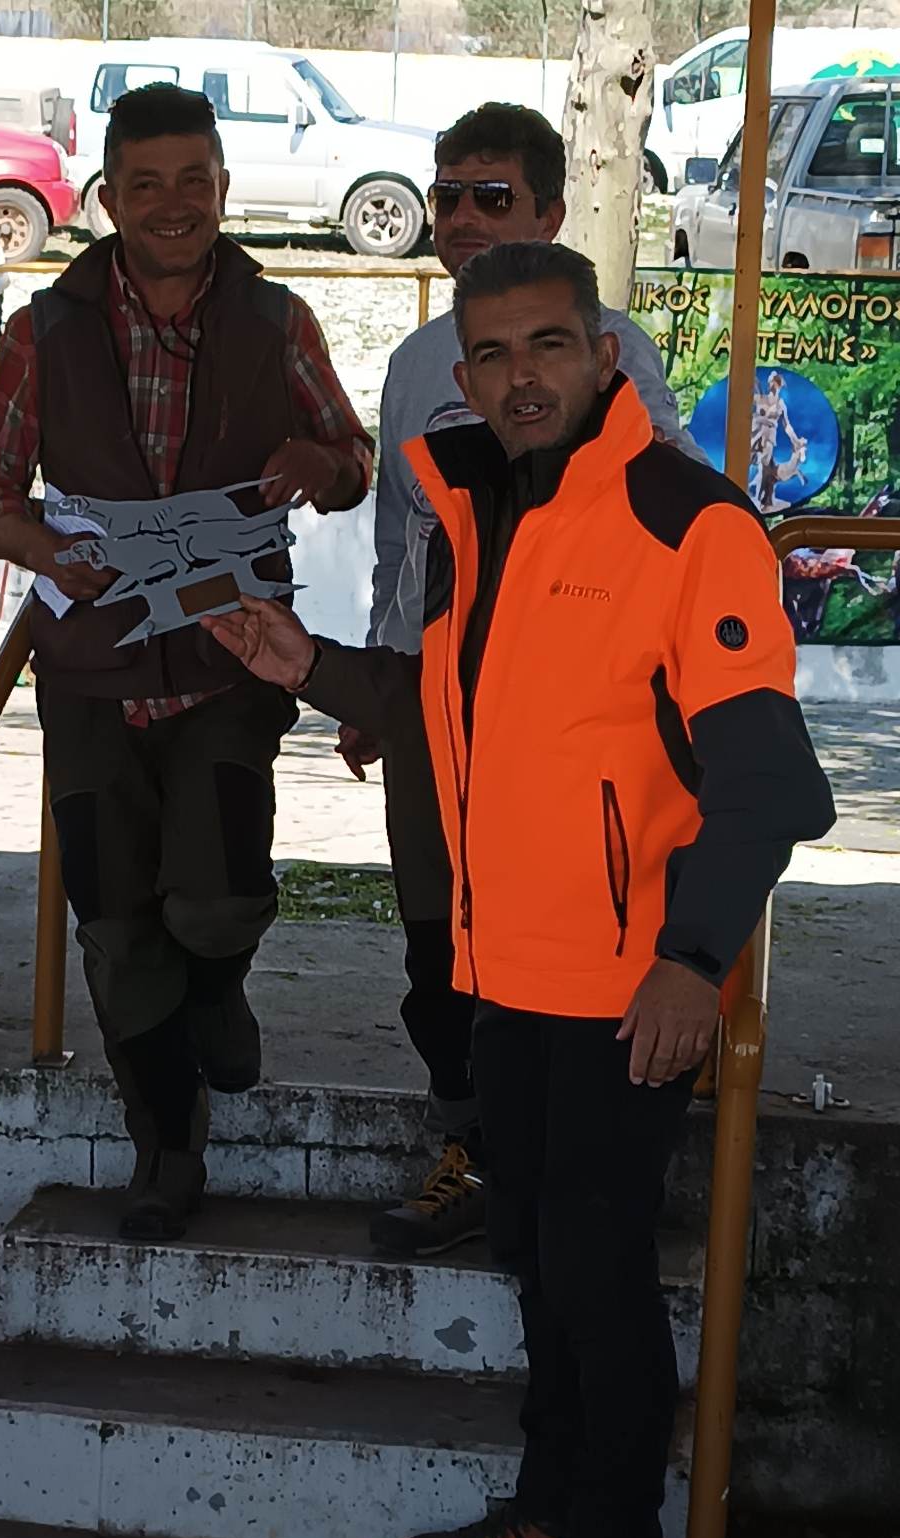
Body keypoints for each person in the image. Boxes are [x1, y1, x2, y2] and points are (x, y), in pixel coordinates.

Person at [204, 241, 834, 1538]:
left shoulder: (687, 523)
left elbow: (771, 787)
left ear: (606, 356)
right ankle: (551, 1513)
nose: (519, 377)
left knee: (600, 1283)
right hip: (508, 978)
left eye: (548, 344)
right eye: (489, 354)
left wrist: (692, 962)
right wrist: (312, 667)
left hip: (627, 992)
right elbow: (460, 710)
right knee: (544, 1267)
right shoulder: (483, 512)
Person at [0, 83, 372, 1242]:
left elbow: (355, 457)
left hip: (233, 663)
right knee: (113, 920)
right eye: (147, 185)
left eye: (195, 181)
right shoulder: (45, 329)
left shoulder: (279, 320)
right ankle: (165, 1145)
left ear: (225, 189)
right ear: (109, 198)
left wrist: (324, 465)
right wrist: (39, 545)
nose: (173, 204)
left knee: (218, 895)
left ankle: (221, 990)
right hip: (90, 671)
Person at [361, 103, 696, 1260]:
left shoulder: (610, 350)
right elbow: (401, 536)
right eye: (447, 194)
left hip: (571, 709)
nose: (462, 216)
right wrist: (386, 679)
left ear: (551, 214)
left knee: (559, 949)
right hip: (435, 701)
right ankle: (476, 1149)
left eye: (492, 196)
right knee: (437, 947)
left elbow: (662, 509)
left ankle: (576, 1166)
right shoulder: (419, 365)